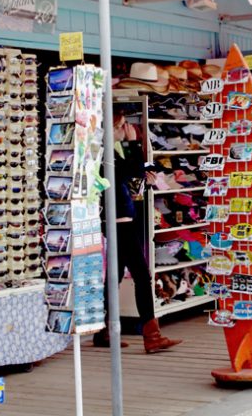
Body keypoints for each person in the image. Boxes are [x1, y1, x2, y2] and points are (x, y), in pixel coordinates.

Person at [93, 113, 182, 353]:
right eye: (123, 126)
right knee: (141, 275)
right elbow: (132, 169)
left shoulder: (110, 152)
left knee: (116, 275)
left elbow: (135, 170)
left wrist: (146, 169)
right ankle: (151, 335)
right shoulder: (107, 154)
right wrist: (133, 143)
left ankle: (104, 330)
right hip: (119, 220)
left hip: (120, 218)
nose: (127, 129)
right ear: (114, 128)